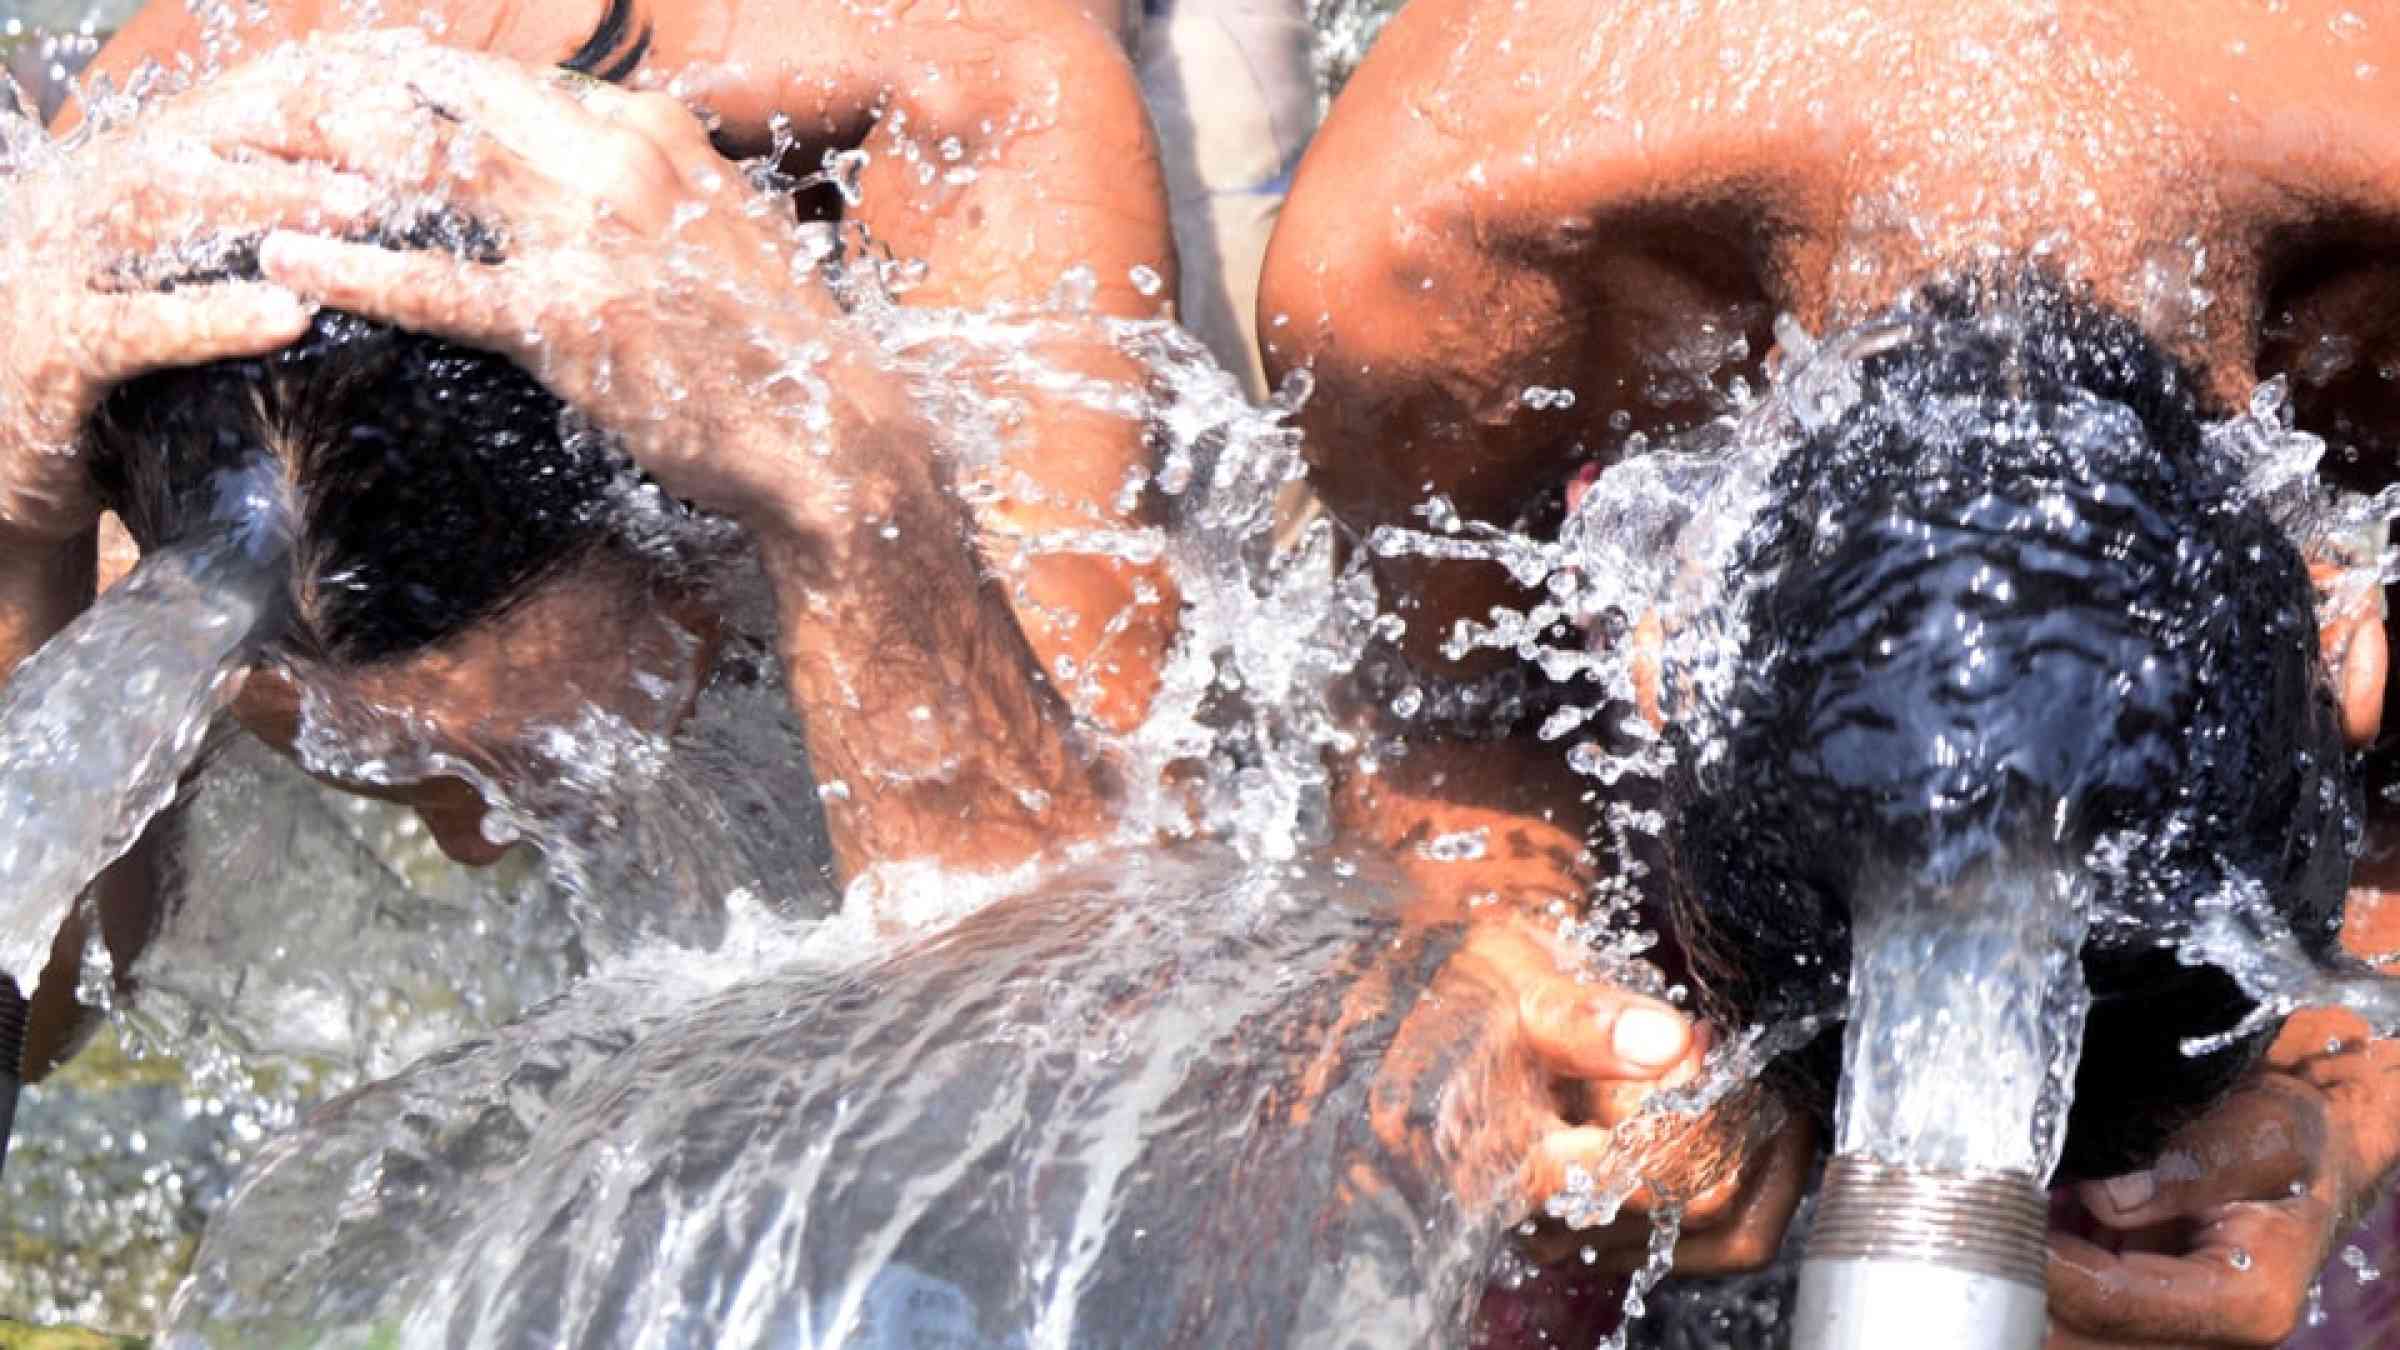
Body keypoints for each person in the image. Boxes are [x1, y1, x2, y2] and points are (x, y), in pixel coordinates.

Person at [0, 0, 1721, 1317]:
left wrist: (844, 486)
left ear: (678, 487)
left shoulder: (951, 109)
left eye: (562, 746)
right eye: (405, 755)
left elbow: (1099, 1052)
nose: (476, 837)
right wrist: (11, 527)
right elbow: (34, 1014)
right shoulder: (155, 311)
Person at [1259, 0, 2400, 1343]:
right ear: (1658, 633)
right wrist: (1503, 964)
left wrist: (2346, 1090)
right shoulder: (1438, 264)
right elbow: (1434, 730)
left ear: (2352, 631)